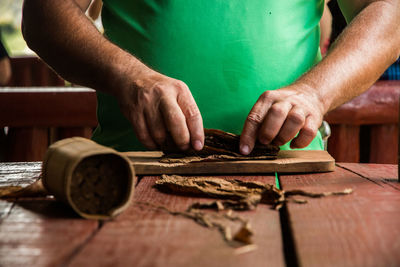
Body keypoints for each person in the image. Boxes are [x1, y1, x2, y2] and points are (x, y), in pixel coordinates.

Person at [21, 0, 400, 155]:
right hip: (134, 174)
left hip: (293, 173)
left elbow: (386, 9)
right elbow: (45, 14)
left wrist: (314, 93)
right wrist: (128, 75)